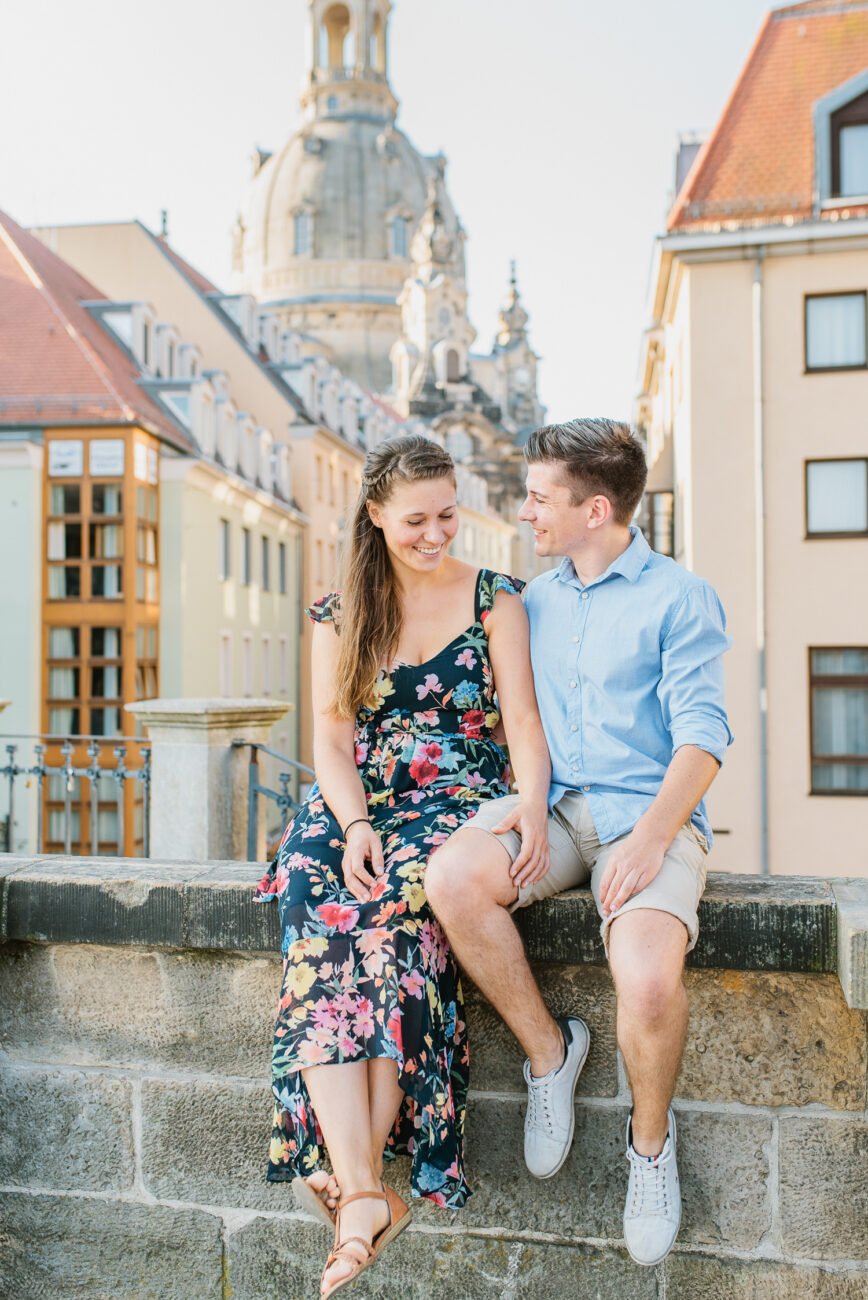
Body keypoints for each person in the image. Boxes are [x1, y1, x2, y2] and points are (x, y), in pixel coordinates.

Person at [425, 417, 732, 1268]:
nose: (525, 512)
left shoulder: (680, 595)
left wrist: (652, 840)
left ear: (596, 509)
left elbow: (703, 737)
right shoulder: (534, 599)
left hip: (648, 817)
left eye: (538, 497)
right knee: (451, 879)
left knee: (646, 980)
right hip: (555, 814)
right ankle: (548, 1055)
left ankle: (648, 1150)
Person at [254, 433, 552, 1298]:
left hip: (460, 797)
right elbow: (330, 740)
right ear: (375, 515)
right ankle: (366, 1189)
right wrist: (350, 825)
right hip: (360, 801)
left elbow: (524, 723)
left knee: (390, 922)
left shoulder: (496, 596)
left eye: (448, 514)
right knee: (318, 900)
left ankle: (354, 1198)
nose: (436, 533)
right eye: (416, 519)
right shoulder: (336, 612)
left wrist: (529, 806)